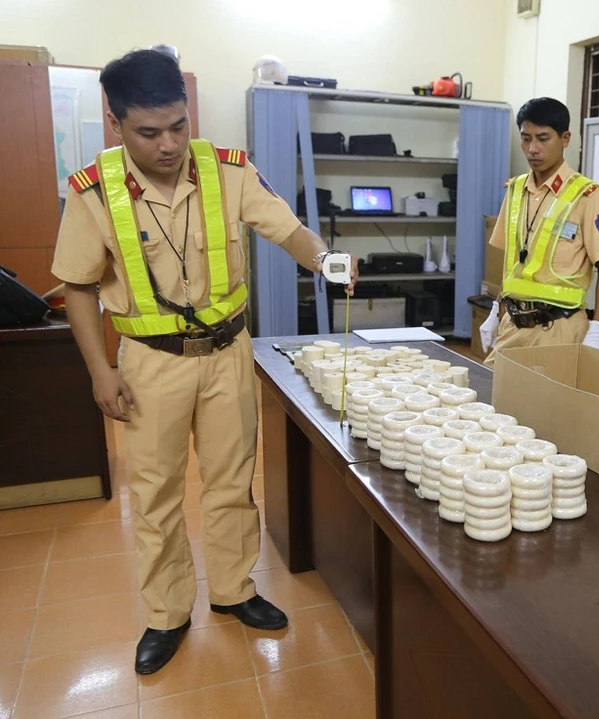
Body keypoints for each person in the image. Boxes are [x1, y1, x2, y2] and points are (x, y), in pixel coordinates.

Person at [51, 49, 356, 674]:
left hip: (227, 353)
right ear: (115, 123)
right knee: (156, 493)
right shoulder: (93, 192)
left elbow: (288, 230)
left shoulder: (226, 170)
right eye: (149, 132)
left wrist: (328, 261)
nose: (169, 145)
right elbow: (78, 287)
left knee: (231, 480)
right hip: (149, 362)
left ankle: (233, 590)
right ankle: (167, 614)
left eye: (178, 126)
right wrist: (100, 370)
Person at [480, 98, 599, 367]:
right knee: (492, 388)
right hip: (513, 324)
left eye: (543, 139)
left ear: (565, 138)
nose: (533, 149)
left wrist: (597, 329)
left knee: (547, 396)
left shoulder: (586, 195)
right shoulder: (516, 190)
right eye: (526, 139)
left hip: (559, 329)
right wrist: (496, 310)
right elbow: (513, 265)